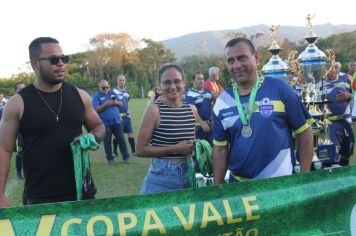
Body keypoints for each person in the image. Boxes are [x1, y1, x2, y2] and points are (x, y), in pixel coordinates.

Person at [0, 37, 105, 207]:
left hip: (82, 193)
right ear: (35, 64)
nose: (61, 63)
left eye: (64, 59)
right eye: (54, 60)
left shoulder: (80, 95)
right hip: (40, 197)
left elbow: (98, 126)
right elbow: (3, 149)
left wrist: (93, 137)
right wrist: (0, 195)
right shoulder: (18, 103)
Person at [212, 37, 313, 185]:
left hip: (279, 186)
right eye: (231, 61)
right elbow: (220, 151)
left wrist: (305, 178)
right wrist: (217, 189)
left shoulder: (280, 89)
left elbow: (304, 133)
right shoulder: (222, 102)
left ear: (256, 58)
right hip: (240, 188)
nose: (237, 65)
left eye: (242, 58)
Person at [136, 63, 196, 194]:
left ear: (184, 83)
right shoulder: (154, 110)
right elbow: (140, 150)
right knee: (154, 214)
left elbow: (192, 142)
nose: (173, 86)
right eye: (167, 82)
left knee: (186, 214)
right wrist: (175, 148)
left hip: (190, 172)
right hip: (162, 175)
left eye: (177, 81)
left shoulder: (191, 109)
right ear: (159, 87)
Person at [93, 80, 130, 165]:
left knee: (121, 139)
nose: (106, 89)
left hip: (117, 121)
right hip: (105, 123)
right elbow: (96, 109)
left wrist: (116, 102)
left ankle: (126, 157)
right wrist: (106, 104)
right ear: (99, 88)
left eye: (107, 87)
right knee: (107, 141)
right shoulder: (97, 97)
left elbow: (121, 104)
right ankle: (110, 159)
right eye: (103, 88)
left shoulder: (112, 93)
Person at [324, 62, 354, 166]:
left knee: (347, 152)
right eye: (326, 69)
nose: (328, 71)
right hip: (330, 124)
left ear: (336, 68)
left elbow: (353, 96)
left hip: (346, 121)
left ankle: (344, 175)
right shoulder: (320, 83)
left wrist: (348, 95)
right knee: (332, 153)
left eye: (330, 68)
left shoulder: (345, 80)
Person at [185, 71, 213, 143]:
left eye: (202, 79)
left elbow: (212, 107)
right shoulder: (189, 93)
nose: (201, 81)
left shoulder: (208, 92)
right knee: (200, 149)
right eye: (199, 79)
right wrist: (202, 123)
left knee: (211, 148)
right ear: (193, 80)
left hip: (210, 124)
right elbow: (193, 111)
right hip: (198, 126)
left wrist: (213, 121)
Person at [112, 75, 136, 156]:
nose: (121, 82)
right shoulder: (113, 91)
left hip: (127, 116)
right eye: (120, 80)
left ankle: (134, 151)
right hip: (118, 117)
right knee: (117, 135)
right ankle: (115, 151)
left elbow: (127, 101)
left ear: (125, 81)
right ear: (117, 81)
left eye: (123, 80)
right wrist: (116, 115)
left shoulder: (127, 90)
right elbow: (112, 104)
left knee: (130, 133)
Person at [14, 82, 26, 180]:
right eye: (20, 88)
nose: (23, 90)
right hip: (19, 133)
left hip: (30, 131)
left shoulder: (29, 99)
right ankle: (18, 173)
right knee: (20, 153)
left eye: (24, 88)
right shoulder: (12, 103)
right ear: (16, 91)